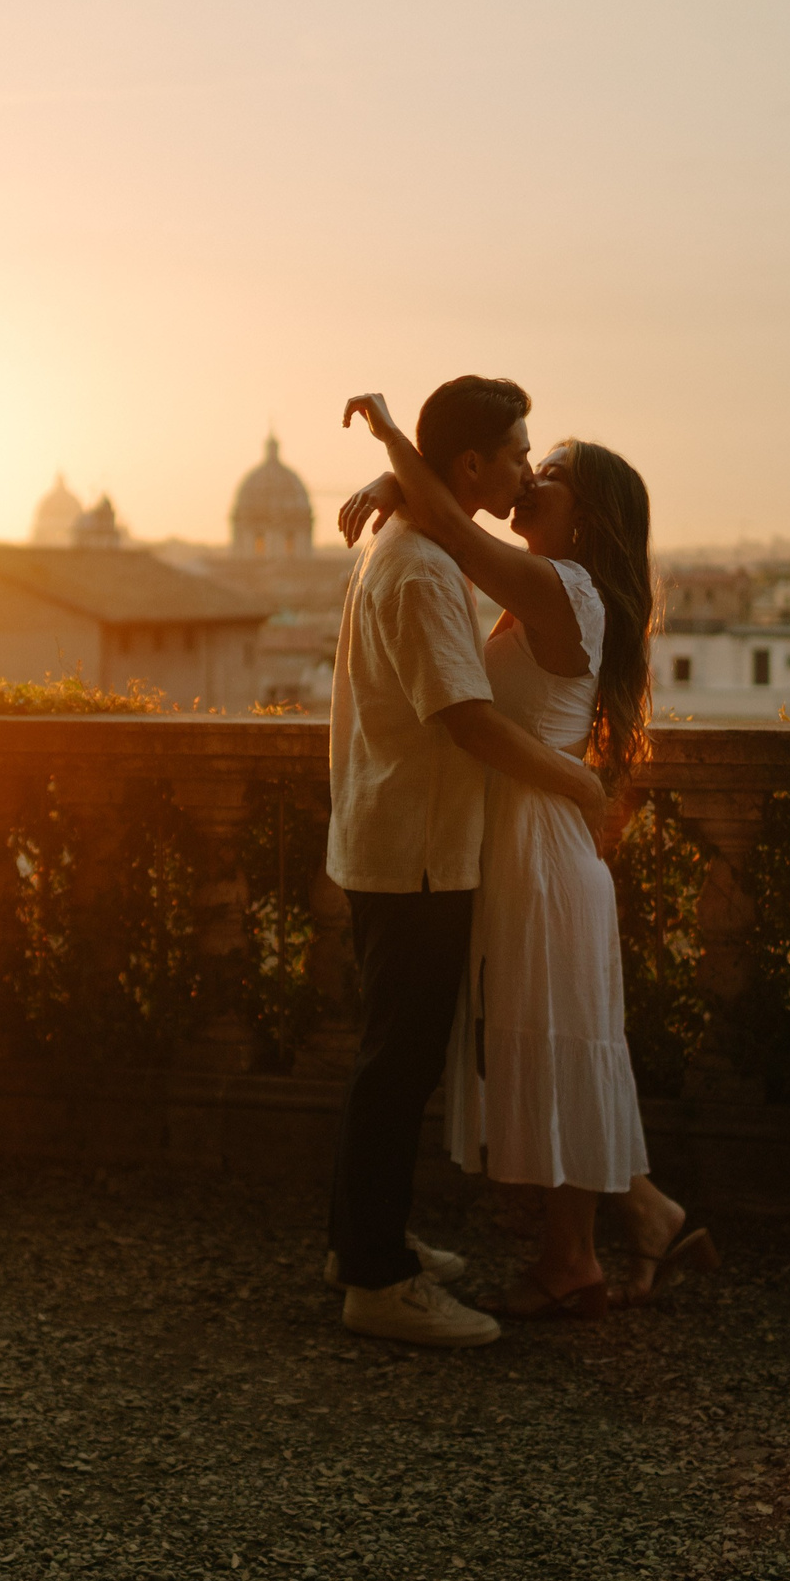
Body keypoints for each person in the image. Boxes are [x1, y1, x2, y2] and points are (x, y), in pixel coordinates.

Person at [339, 391, 717, 1318]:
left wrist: (397, 446)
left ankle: (572, 1263)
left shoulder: (564, 588)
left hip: (538, 841)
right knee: (539, 1043)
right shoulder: (542, 584)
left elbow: (462, 542)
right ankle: (648, 1216)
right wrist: (409, 474)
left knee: (552, 1045)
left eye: (549, 474)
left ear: (587, 514)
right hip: (513, 837)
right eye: (526, 461)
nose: (531, 479)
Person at [322, 376, 612, 1349]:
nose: (529, 469)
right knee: (395, 1067)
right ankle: (375, 1277)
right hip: (418, 848)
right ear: (474, 466)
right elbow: (465, 719)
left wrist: (398, 470)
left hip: (402, 840)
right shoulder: (420, 568)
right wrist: (578, 785)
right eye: (520, 453)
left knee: (392, 1060)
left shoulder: (413, 547)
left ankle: (364, 1240)